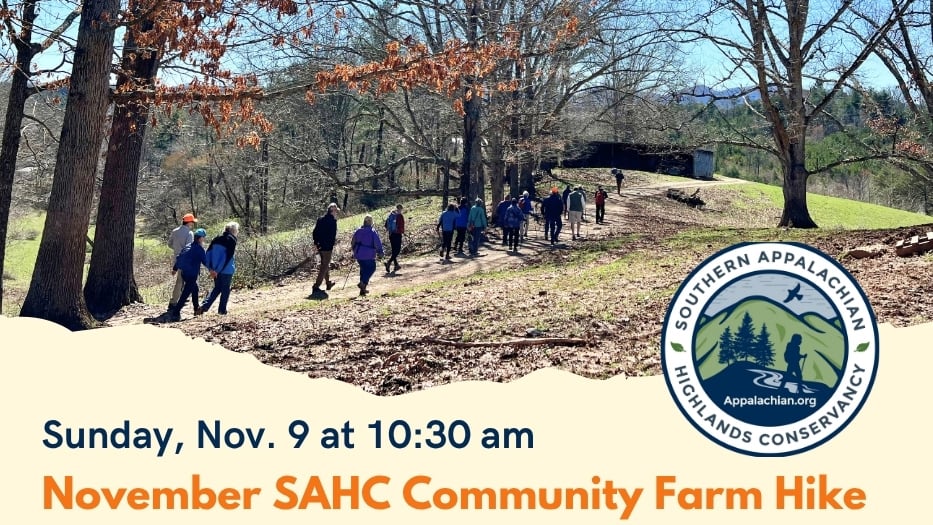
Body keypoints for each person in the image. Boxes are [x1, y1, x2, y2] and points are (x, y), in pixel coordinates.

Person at [168, 228, 208, 321]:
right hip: (192, 274)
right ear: (200, 238)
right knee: (185, 293)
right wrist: (213, 270)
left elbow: (179, 258)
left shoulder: (187, 246)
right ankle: (176, 312)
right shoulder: (199, 249)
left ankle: (196, 309)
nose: (204, 239)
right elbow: (205, 262)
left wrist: (175, 269)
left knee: (195, 289)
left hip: (184, 273)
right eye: (204, 238)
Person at [200, 222, 239, 315]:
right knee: (225, 290)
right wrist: (217, 270)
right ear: (233, 230)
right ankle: (222, 311)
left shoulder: (216, 239)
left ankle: (204, 306)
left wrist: (211, 269)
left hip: (214, 270)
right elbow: (227, 258)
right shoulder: (231, 240)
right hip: (226, 270)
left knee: (217, 288)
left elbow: (207, 255)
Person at [166, 212, 197, 313]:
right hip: (186, 260)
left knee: (180, 280)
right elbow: (189, 248)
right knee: (184, 281)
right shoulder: (189, 233)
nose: (192, 224)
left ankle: (177, 300)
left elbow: (169, 244)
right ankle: (175, 302)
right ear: (189, 223)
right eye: (192, 222)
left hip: (177, 258)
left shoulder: (175, 231)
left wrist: (177, 250)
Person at [310, 202, 339, 299]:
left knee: (324, 264)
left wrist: (316, 243)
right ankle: (316, 286)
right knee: (324, 266)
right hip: (327, 247)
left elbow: (315, 232)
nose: (336, 213)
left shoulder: (320, 219)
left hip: (320, 246)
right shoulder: (333, 221)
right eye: (336, 211)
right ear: (332, 211)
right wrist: (331, 244)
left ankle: (328, 283)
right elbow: (332, 236)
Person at [351, 215, 384, 296]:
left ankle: (362, 290)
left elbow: (353, 242)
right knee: (372, 268)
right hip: (368, 254)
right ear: (370, 222)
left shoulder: (358, 231)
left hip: (359, 254)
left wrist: (355, 251)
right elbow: (377, 243)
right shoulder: (372, 232)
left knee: (363, 270)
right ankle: (363, 283)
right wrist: (380, 252)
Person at [384, 204, 405, 273]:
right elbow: (402, 225)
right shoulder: (400, 216)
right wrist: (401, 231)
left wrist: (391, 230)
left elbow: (385, 225)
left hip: (391, 234)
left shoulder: (391, 215)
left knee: (394, 250)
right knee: (397, 250)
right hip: (397, 234)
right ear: (400, 209)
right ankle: (388, 262)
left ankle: (396, 265)